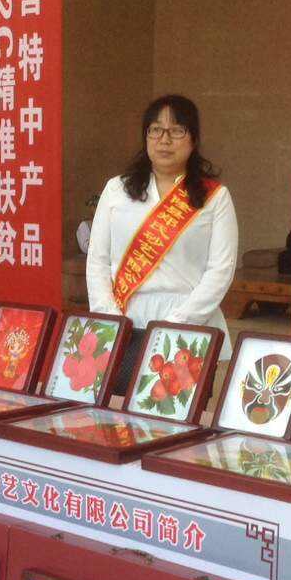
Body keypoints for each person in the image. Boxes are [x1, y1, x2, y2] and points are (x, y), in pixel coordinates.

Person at [85, 95, 238, 394]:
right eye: (156, 130)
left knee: (177, 414)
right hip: (124, 319)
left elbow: (221, 270)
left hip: (190, 324)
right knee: (115, 412)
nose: (164, 140)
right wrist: (111, 318)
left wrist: (177, 323)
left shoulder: (215, 197)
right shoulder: (117, 190)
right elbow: (97, 260)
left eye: (176, 130)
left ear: (194, 139)